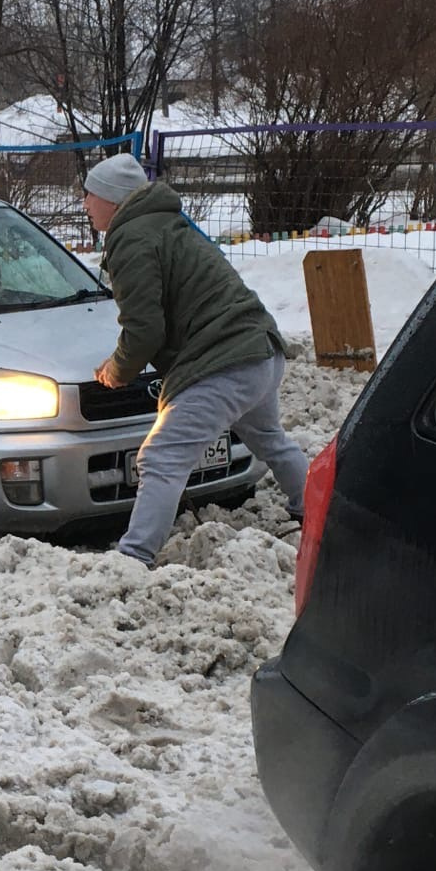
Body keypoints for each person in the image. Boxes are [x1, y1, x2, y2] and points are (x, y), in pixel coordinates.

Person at [82, 151, 310, 564]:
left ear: (113, 201)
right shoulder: (165, 224)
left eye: (89, 194)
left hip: (224, 359)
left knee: (160, 457)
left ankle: (133, 558)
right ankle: (314, 509)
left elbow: (145, 329)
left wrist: (117, 370)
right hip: (259, 348)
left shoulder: (132, 238)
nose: (84, 203)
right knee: (270, 439)